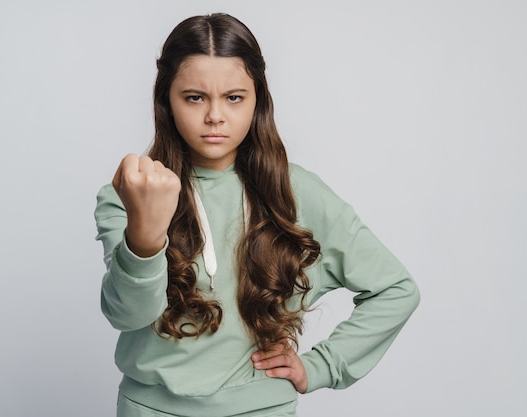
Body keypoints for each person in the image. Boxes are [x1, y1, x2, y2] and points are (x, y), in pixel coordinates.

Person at [94, 13, 420, 417]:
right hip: (149, 409)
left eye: (234, 97)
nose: (215, 116)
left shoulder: (297, 190)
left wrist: (322, 366)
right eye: (194, 97)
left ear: (257, 100)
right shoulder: (128, 191)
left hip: (261, 410)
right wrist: (145, 235)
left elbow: (395, 288)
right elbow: (128, 314)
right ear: (167, 101)